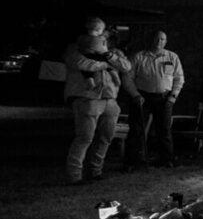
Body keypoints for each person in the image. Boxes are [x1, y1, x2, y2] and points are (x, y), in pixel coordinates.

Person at [62, 17, 130, 185]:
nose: (102, 40)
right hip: (87, 98)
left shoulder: (112, 52)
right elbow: (80, 63)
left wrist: (107, 55)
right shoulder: (75, 49)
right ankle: (74, 176)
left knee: (106, 137)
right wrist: (104, 65)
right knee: (84, 137)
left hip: (110, 99)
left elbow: (126, 66)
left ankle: (96, 171)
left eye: (104, 38)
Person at [127, 30, 185, 168]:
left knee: (164, 130)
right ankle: (132, 161)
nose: (159, 42)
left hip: (164, 98)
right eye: (157, 39)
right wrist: (135, 94)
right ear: (151, 40)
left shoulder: (172, 57)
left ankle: (167, 160)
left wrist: (173, 96)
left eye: (162, 39)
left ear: (166, 41)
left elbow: (179, 78)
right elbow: (128, 78)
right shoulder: (139, 56)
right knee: (137, 129)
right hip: (142, 97)